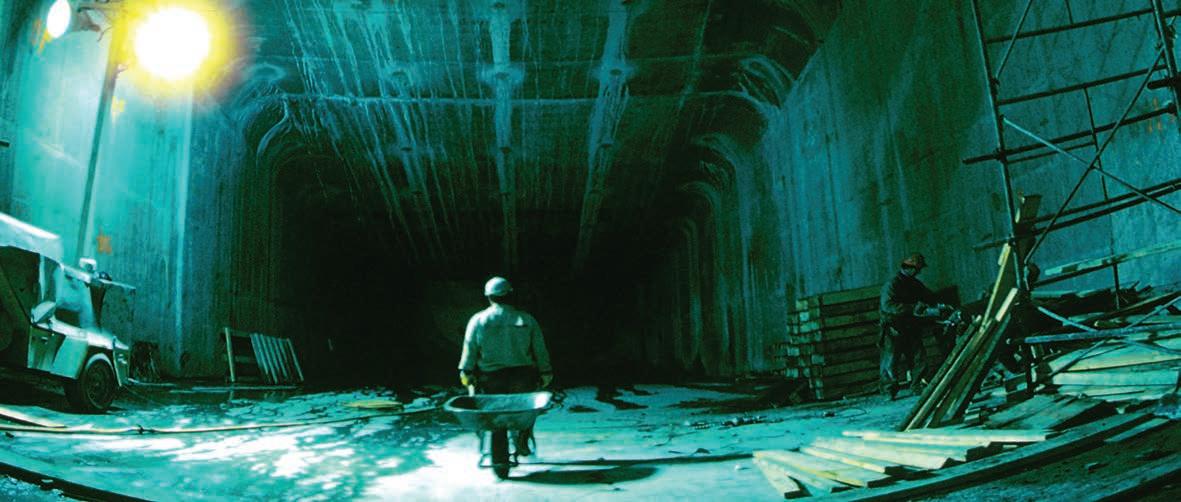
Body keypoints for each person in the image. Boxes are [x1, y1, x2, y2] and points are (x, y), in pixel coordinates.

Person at [458, 276, 553, 456]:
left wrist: (466, 371)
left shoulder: (478, 320)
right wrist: (545, 371)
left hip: (491, 377)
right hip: (522, 376)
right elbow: (539, 348)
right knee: (524, 413)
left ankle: (499, 448)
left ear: (489, 296)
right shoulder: (526, 319)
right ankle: (523, 439)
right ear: (510, 295)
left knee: (495, 415)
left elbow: (470, 348)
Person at [879, 253, 950, 400]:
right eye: (918, 269)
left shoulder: (915, 284)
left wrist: (940, 305)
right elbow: (888, 306)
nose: (919, 272)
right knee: (891, 361)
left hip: (910, 327)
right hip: (893, 328)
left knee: (918, 358)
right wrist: (912, 308)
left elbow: (929, 297)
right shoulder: (892, 284)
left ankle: (917, 385)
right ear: (910, 268)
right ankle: (888, 390)